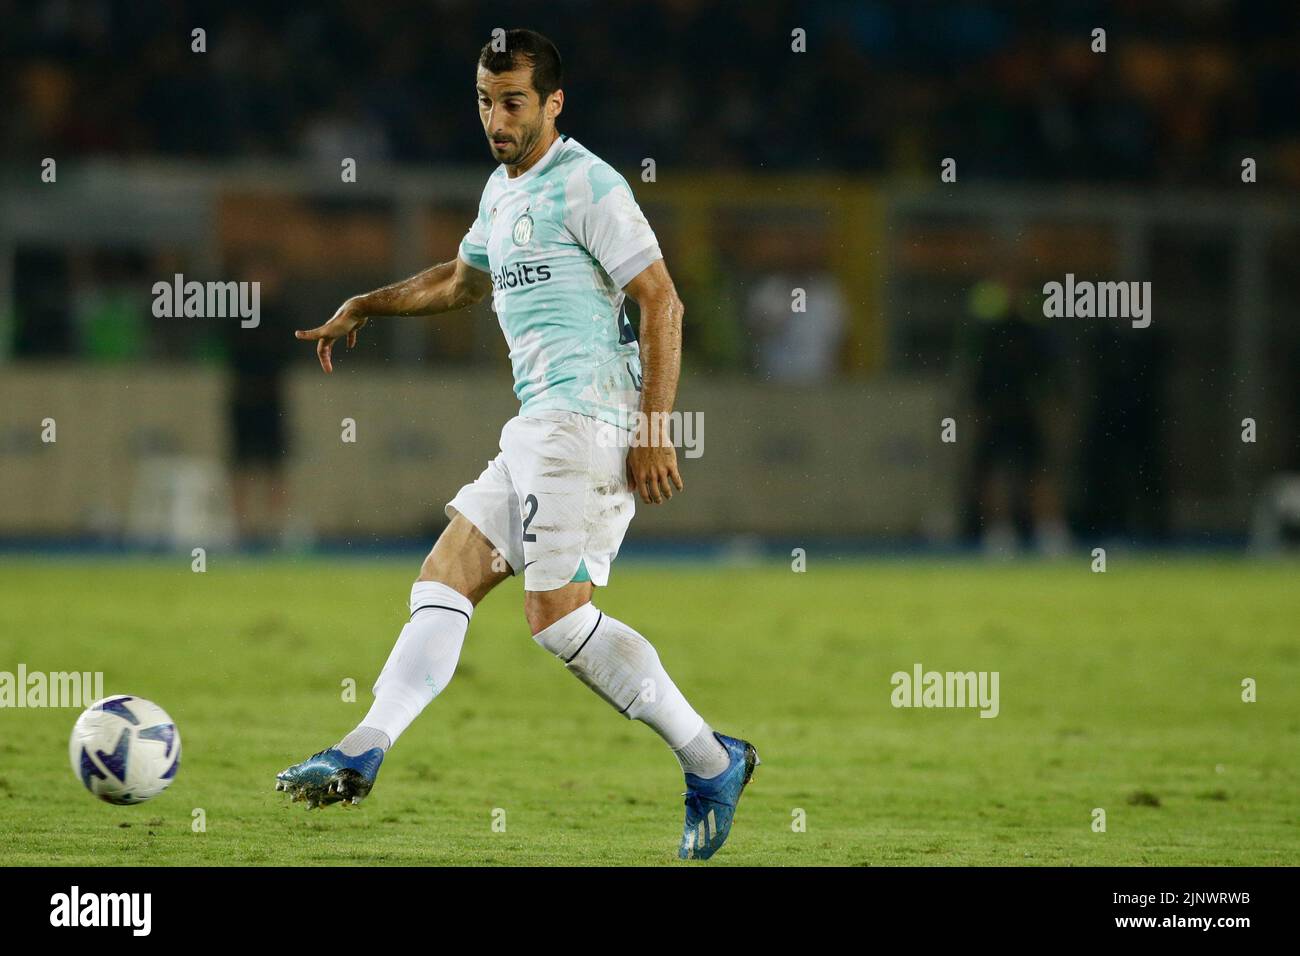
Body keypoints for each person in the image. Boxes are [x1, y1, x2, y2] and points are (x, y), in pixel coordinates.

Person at [275, 29, 758, 861]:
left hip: (588, 423)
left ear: (553, 104)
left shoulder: (590, 184)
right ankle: (363, 746)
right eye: (484, 101)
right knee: (446, 576)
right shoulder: (501, 193)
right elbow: (461, 280)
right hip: (539, 426)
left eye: (513, 103)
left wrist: (654, 429)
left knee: (557, 622)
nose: (496, 119)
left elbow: (663, 304)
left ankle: (712, 762)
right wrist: (366, 301)